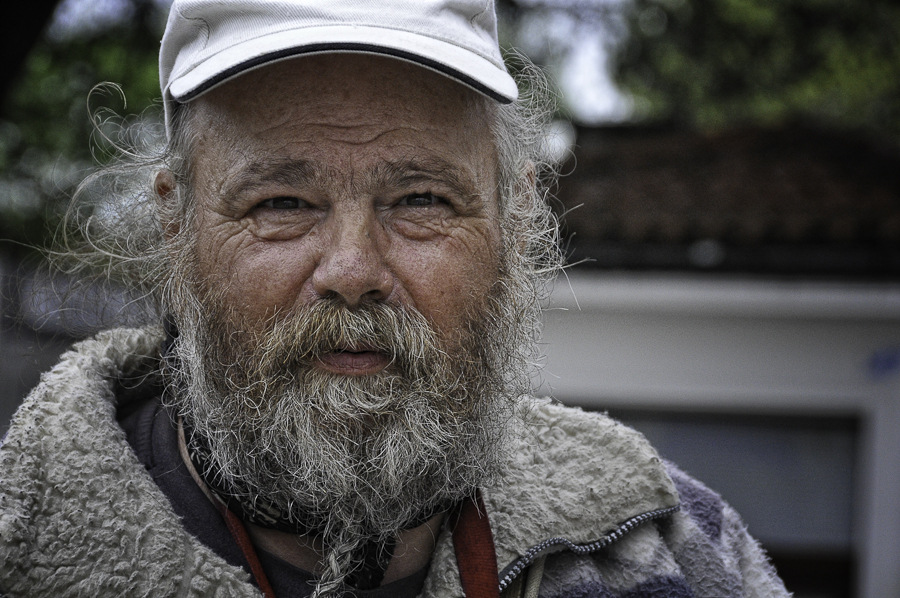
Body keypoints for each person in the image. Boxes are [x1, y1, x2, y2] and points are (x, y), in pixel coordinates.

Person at [0, 1, 791, 596]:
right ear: (177, 225)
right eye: (282, 203)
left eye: (420, 200)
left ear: (514, 223)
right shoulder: (22, 547)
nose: (352, 269)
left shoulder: (670, 547)